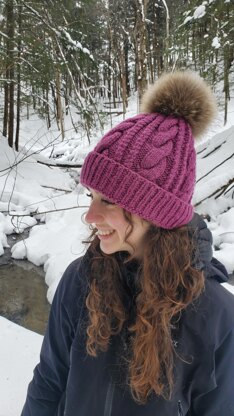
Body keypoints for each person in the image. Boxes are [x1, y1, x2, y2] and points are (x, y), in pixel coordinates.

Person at [21, 71, 234, 416]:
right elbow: (49, 381)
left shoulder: (216, 316)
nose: (90, 216)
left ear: (153, 212)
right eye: (92, 196)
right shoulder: (80, 281)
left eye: (107, 201)